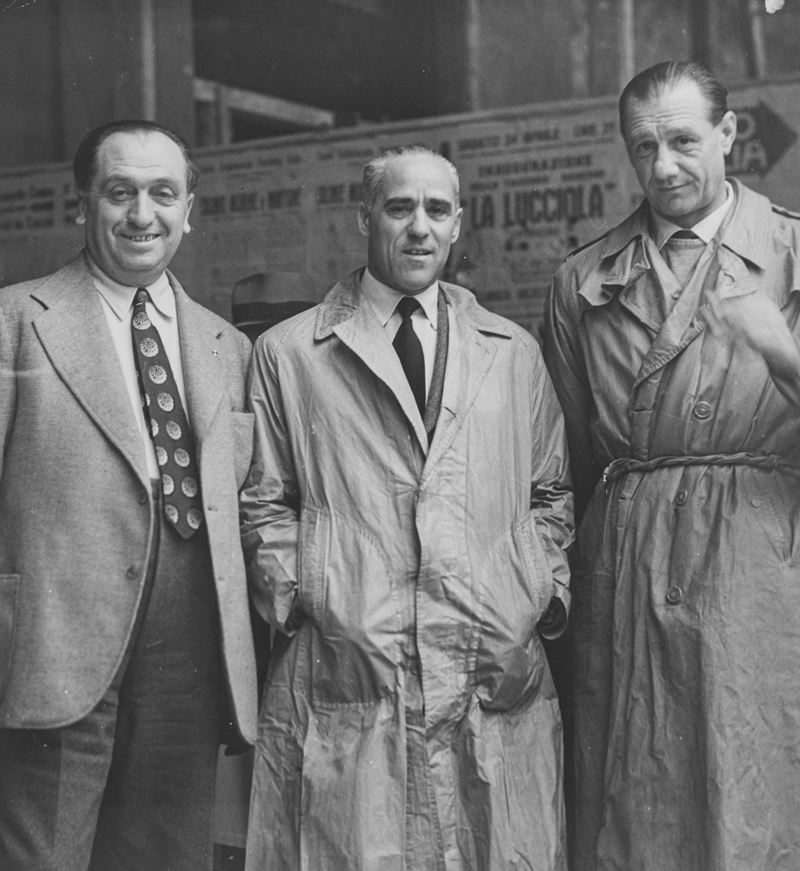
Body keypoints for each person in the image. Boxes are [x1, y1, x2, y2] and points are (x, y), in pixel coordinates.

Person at [241, 145, 574, 870]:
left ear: (458, 224)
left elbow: (550, 492)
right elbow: (263, 501)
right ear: (365, 218)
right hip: (350, 662)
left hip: (489, 657)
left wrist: (532, 591)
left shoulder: (512, 351)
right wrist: (313, 596)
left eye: (436, 209)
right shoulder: (290, 353)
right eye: (399, 208)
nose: (419, 227)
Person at [544, 60, 800, 870]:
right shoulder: (582, 279)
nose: (663, 167)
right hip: (627, 561)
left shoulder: (794, 253)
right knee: (636, 795)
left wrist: (784, 356)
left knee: (753, 787)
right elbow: (570, 458)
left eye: (684, 142)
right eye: (643, 147)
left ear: (729, 134)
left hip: (762, 563)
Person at [0, 120, 258, 871]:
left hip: (191, 644)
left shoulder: (229, 347)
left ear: (189, 210)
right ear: (84, 202)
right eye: (120, 193)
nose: (143, 214)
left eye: (163, 194)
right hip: (51, 643)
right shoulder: (16, 321)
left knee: (167, 856)